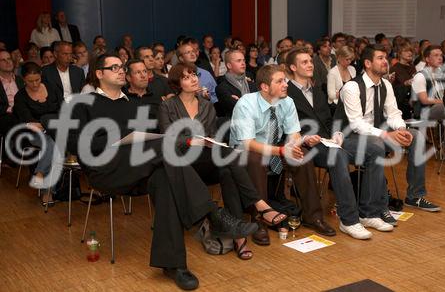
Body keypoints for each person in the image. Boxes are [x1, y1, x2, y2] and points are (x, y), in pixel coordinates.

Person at [67, 53, 257, 290]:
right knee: (165, 150)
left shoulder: (132, 103)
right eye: (114, 67)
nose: (120, 71)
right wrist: (115, 135)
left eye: (121, 67)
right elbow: (73, 144)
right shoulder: (83, 103)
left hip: (142, 169)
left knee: (167, 179)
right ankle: (213, 214)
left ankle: (174, 264)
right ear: (98, 74)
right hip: (106, 171)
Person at [158, 62, 286, 259]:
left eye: (194, 74)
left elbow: (210, 135)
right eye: (186, 77)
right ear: (177, 83)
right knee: (230, 160)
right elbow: (168, 137)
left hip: (204, 158)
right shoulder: (168, 105)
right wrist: (191, 140)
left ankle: (239, 236)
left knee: (227, 169)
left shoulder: (207, 105)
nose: (193, 79)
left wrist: (208, 142)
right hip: (182, 164)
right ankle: (258, 206)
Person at [286, 48, 393, 239]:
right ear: (293, 67)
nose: (310, 64)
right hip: (307, 144)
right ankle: (349, 220)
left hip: (329, 141)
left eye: (311, 61)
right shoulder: (287, 93)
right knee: (339, 155)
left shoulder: (316, 89)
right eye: (304, 62)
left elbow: (330, 119)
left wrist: (337, 133)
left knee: (375, 149)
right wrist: (306, 138)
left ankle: (369, 213)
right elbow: (289, 126)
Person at [230, 64, 336, 246]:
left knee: (302, 155)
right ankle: (259, 221)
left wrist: (300, 142)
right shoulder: (246, 103)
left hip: (276, 147)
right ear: (264, 87)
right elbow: (248, 143)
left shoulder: (287, 101)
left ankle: (313, 216)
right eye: (279, 81)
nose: (286, 84)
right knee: (256, 159)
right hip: (245, 152)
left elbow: (293, 134)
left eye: (285, 80)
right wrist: (281, 150)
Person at [334, 44, 441, 212]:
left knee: (416, 137)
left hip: (376, 133)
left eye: (386, 58)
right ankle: (375, 205)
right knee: (376, 143)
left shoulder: (386, 85)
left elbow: (393, 113)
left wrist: (401, 129)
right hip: (348, 137)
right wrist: (386, 135)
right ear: (368, 63)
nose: (386, 62)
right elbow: (356, 124)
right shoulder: (352, 87)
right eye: (380, 58)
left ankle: (415, 195)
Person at [13, 62, 61, 204]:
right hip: (33, 134)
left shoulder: (52, 88)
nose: (34, 84)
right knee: (53, 145)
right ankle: (47, 192)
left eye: (37, 80)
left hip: (55, 129)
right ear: (23, 79)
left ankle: (39, 173)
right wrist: (46, 124)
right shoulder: (20, 96)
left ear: (41, 76)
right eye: (30, 81)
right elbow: (27, 120)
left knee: (53, 144)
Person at [41, 41, 85, 106]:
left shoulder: (78, 72)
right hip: (55, 109)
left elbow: (83, 94)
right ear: (55, 54)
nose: (69, 58)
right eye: (65, 54)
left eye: (70, 54)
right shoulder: (46, 72)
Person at [215, 49, 257, 117]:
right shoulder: (222, 88)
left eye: (244, 60)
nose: (243, 63)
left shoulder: (251, 84)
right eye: (239, 61)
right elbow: (238, 110)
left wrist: (240, 101)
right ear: (229, 65)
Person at [124, 59, 162, 124]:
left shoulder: (156, 97)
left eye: (145, 71)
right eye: (138, 72)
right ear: (128, 78)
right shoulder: (122, 98)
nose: (143, 76)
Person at [0, 50, 24, 138]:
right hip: (6, 116)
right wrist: (9, 109)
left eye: (9, 59)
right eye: (3, 60)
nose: (8, 62)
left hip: (23, 113)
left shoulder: (20, 80)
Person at [390, 42, 416, 119]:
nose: (410, 53)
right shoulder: (395, 68)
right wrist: (406, 83)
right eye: (406, 51)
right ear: (399, 54)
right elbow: (393, 88)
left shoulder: (412, 67)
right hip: (400, 103)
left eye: (411, 51)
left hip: (413, 101)